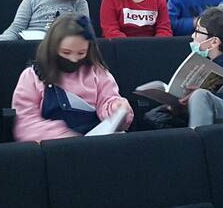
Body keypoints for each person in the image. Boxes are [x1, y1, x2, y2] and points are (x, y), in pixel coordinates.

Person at [12, 14, 133, 142]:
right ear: (52, 47)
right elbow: (26, 124)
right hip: (53, 147)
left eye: (81, 53)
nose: (74, 59)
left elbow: (108, 100)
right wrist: (67, 137)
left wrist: (116, 108)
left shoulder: (98, 73)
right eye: (66, 52)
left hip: (96, 145)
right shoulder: (32, 76)